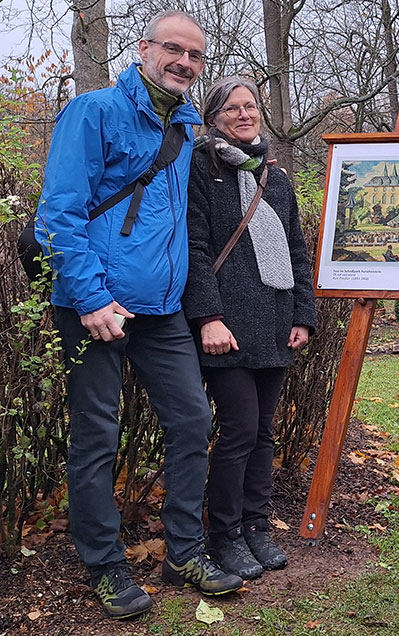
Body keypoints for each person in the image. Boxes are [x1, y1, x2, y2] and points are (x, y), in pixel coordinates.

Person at [34, 11, 242, 619]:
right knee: (97, 438)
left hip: (161, 311)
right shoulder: (94, 112)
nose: (184, 62)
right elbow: (60, 214)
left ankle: (183, 551)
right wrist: (92, 297)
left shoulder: (186, 120)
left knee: (190, 422)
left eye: (196, 56)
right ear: (144, 48)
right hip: (96, 307)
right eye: (173, 49)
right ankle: (105, 565)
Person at [183, 77, 317, 579]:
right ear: (214, 117)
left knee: (263, 433)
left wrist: (304, 315)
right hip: (227, 327)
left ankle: (256, 526)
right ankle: (225, 535)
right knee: (238, 430)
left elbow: (297, 251)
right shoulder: (200, 168)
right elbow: (194, 248)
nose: (245, 115)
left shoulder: (276, 179)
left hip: (276, 322)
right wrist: (208, 317)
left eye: (251, 106)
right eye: (232, 109)